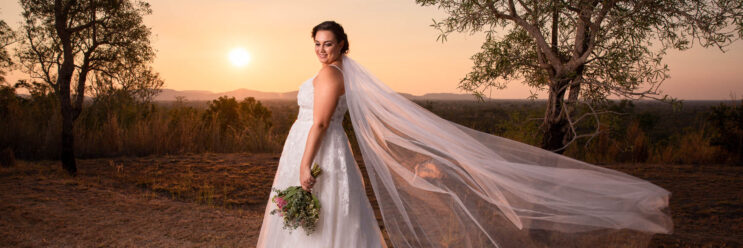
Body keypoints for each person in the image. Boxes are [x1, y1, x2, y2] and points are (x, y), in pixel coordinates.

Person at [257, 20, 673, 248]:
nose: (321, 50)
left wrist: (303, 164)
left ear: (342, 45)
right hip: (318, 150)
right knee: (321, 219)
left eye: (328, 43)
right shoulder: (338, 72)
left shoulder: (331, 76)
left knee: (319, 220)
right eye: (317, 44)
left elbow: (322, 123)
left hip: (317, 151)